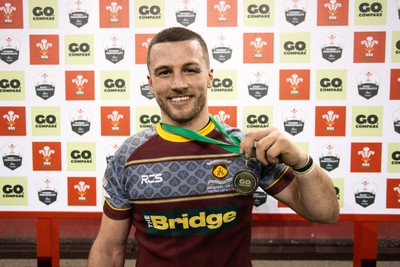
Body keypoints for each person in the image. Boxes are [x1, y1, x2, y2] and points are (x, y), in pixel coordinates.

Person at [87, 27, 339, 267]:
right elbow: (109, 249)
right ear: (151, 83)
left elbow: (326, 214)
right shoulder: (128, 157)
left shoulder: (245, 148)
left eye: (190, 70)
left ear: (209, 77)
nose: (178, 84)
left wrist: (302, 162)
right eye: (164, 72)